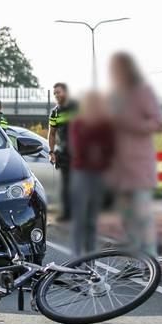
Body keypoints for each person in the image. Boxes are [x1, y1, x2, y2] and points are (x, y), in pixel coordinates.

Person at [107, 52, 162, 257]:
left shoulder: (143, 92)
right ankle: (135, 261)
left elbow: (158, 123)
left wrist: (133, 125)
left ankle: (150, 262)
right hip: (120, 168)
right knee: (126, 217)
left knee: (142, 216)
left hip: (140, 167)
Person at [68, 91, 115, 255]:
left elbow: (110, 149)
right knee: (80, 219)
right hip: (83, 173)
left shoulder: (104, 124)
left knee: (91, 221)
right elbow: (79, 148)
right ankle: (76, 263)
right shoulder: (80, 123)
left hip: (95, 174)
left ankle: (89, 262)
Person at [47, 82, 78, 221]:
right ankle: (68, 214)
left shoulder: (76, 107)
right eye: (54, 93)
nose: (56, 95)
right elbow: (52, 133)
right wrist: (51, 152)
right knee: (66, 183)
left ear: (65, 92)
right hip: (64, 152)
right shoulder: (55, 112)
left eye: (58, 92)